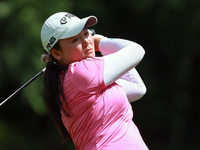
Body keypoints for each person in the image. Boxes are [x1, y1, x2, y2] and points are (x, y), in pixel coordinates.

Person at [40, 12, 148, 150]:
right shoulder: (80, 73)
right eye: (75, 39)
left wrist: (97, 44)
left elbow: (137, 87)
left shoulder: (70, 80)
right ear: (56, 53)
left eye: (86, 33)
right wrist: (101, 42)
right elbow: (136, 50)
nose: (86, 42)